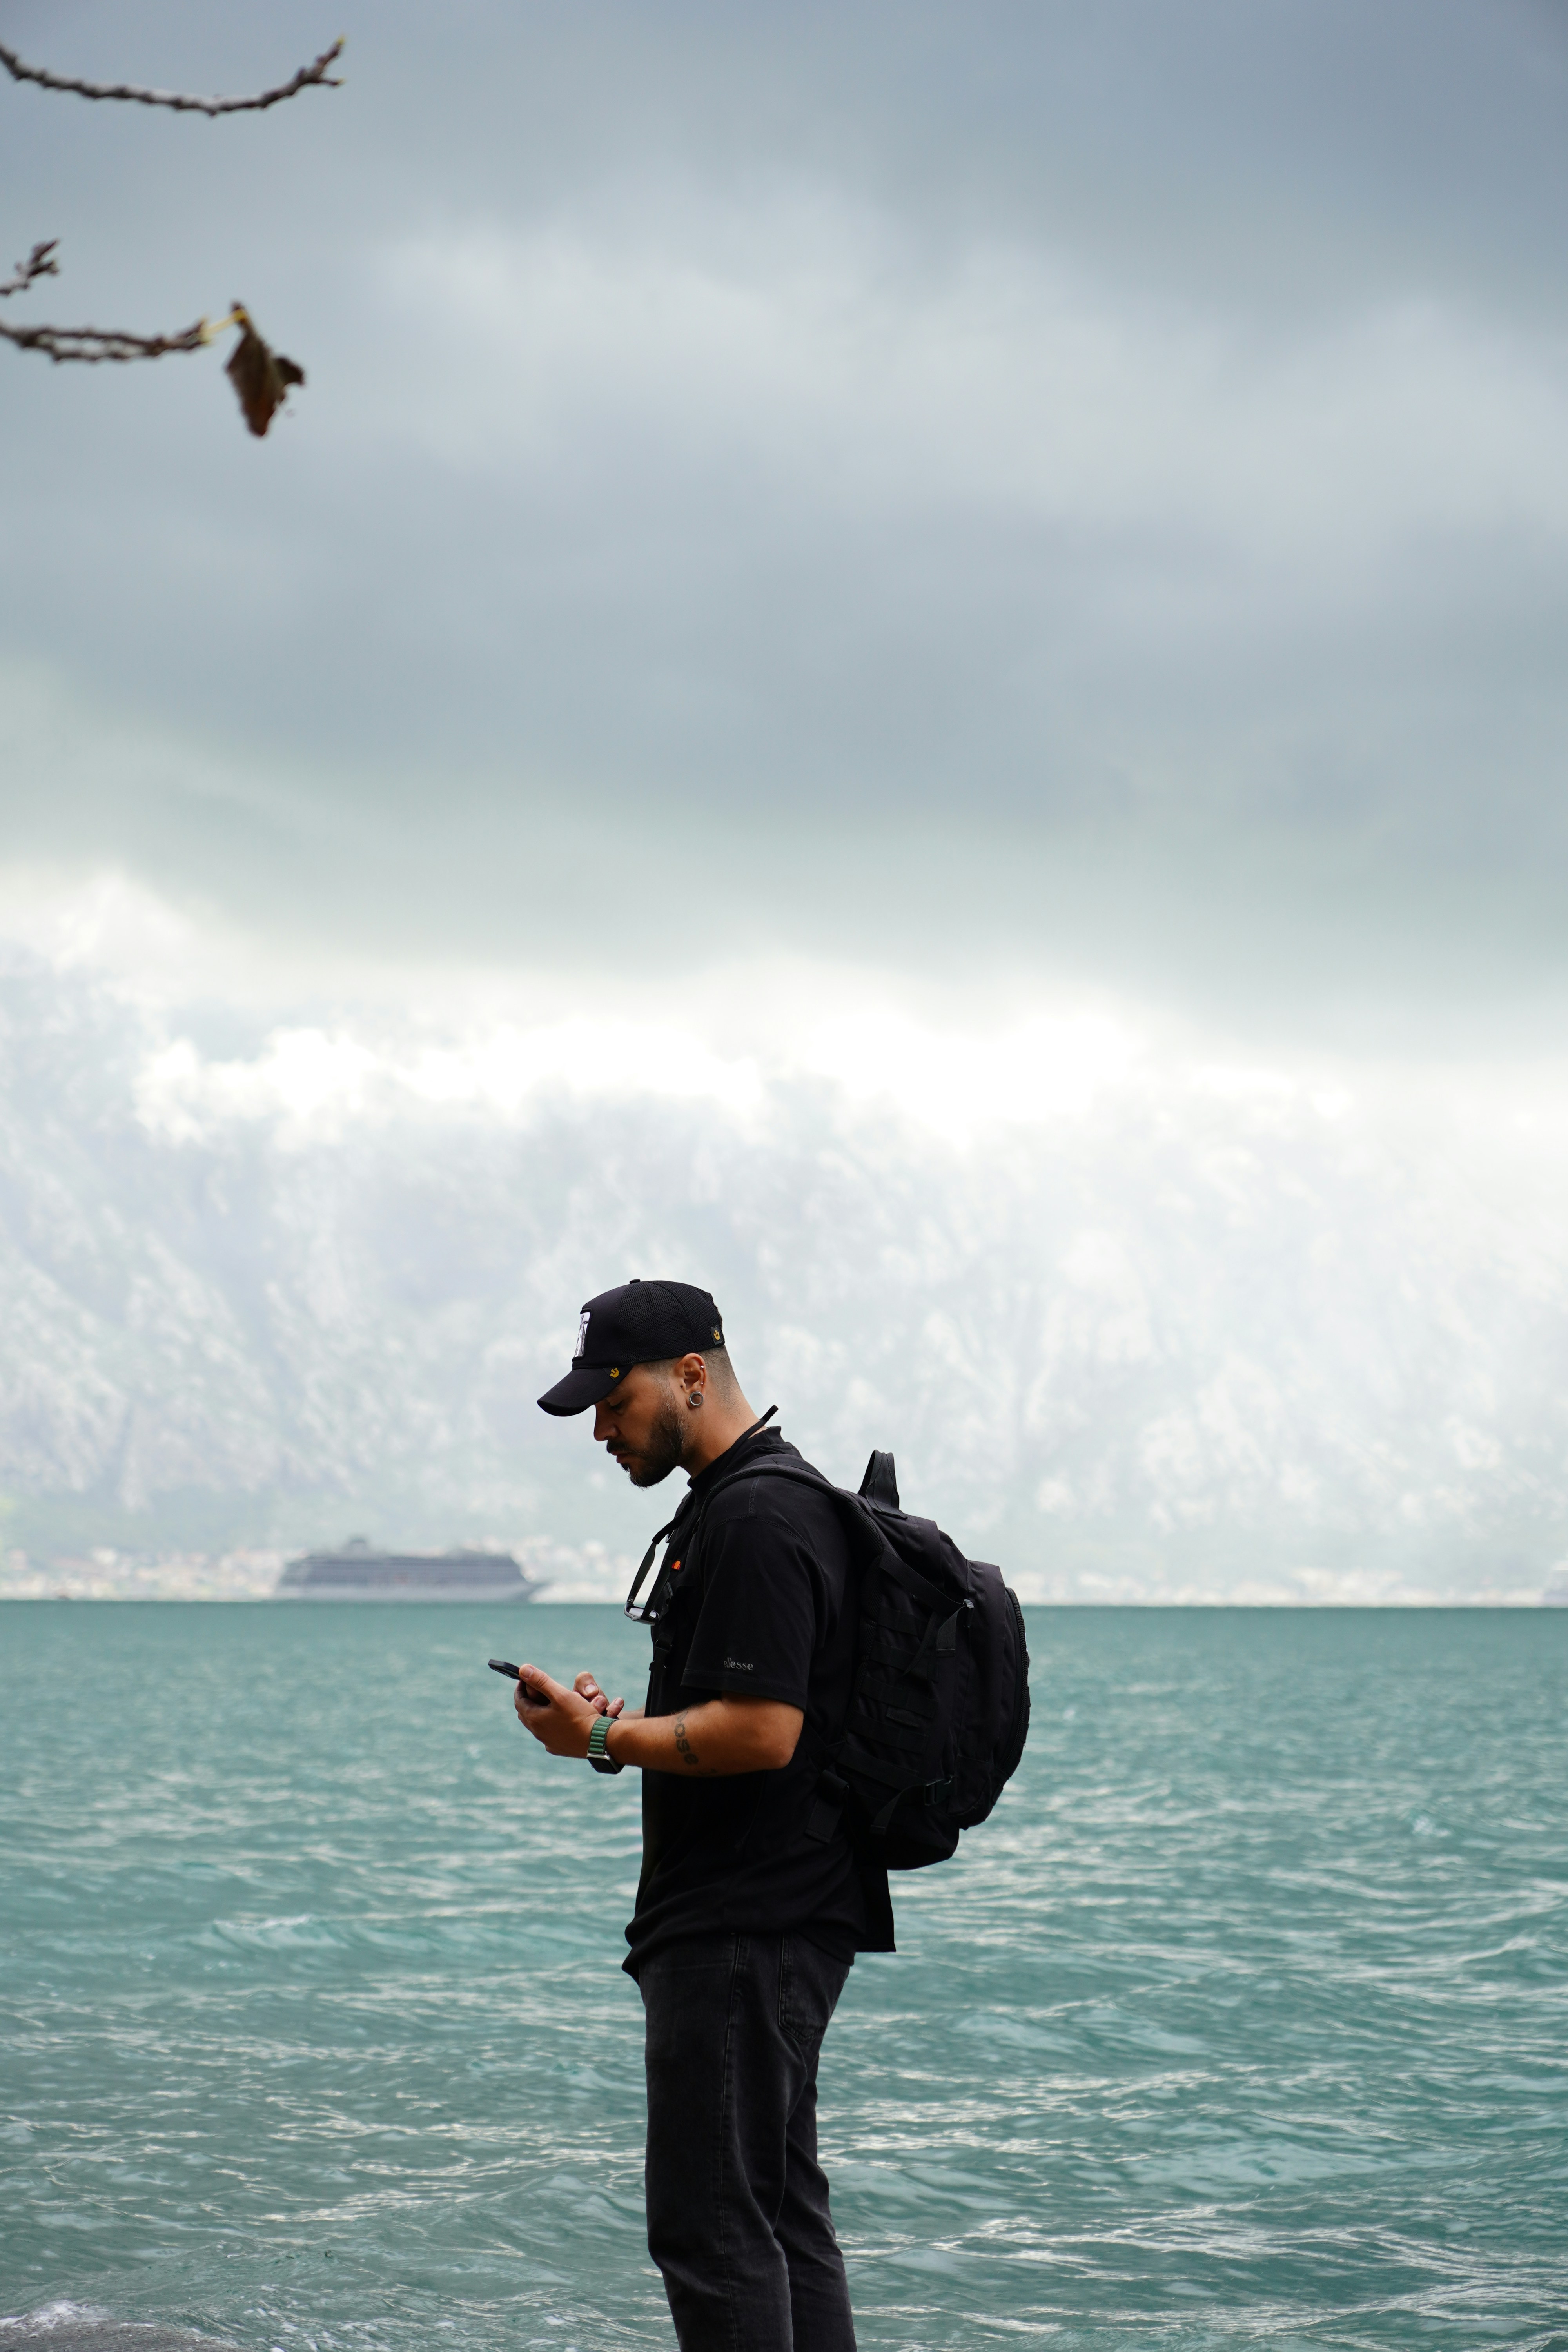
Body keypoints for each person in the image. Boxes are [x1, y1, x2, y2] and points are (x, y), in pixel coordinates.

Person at [513, 1277, 893, 2352]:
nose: (599, 1428)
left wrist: (597, 1739)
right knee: (775, 2214)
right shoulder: (752, 1503)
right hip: (783, 1909)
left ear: (691, 1375)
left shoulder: (762, 1514)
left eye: (612, 1397)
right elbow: (744, 1721)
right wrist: (625, 1732)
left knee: (713, 2229)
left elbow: (765, 1731)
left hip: (743, 1924)